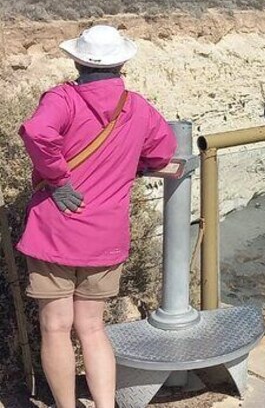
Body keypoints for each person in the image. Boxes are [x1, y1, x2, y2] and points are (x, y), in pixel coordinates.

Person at [17, 25, 176, 408]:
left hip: (54, 233)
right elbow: (163, 152)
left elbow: (38, 133)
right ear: (122, 61)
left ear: (77, 60)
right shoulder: (137, 106)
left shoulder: (63, 99)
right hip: (105, 236)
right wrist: (133, 163)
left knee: (55, 326)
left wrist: (57, 179)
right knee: (92, 328)